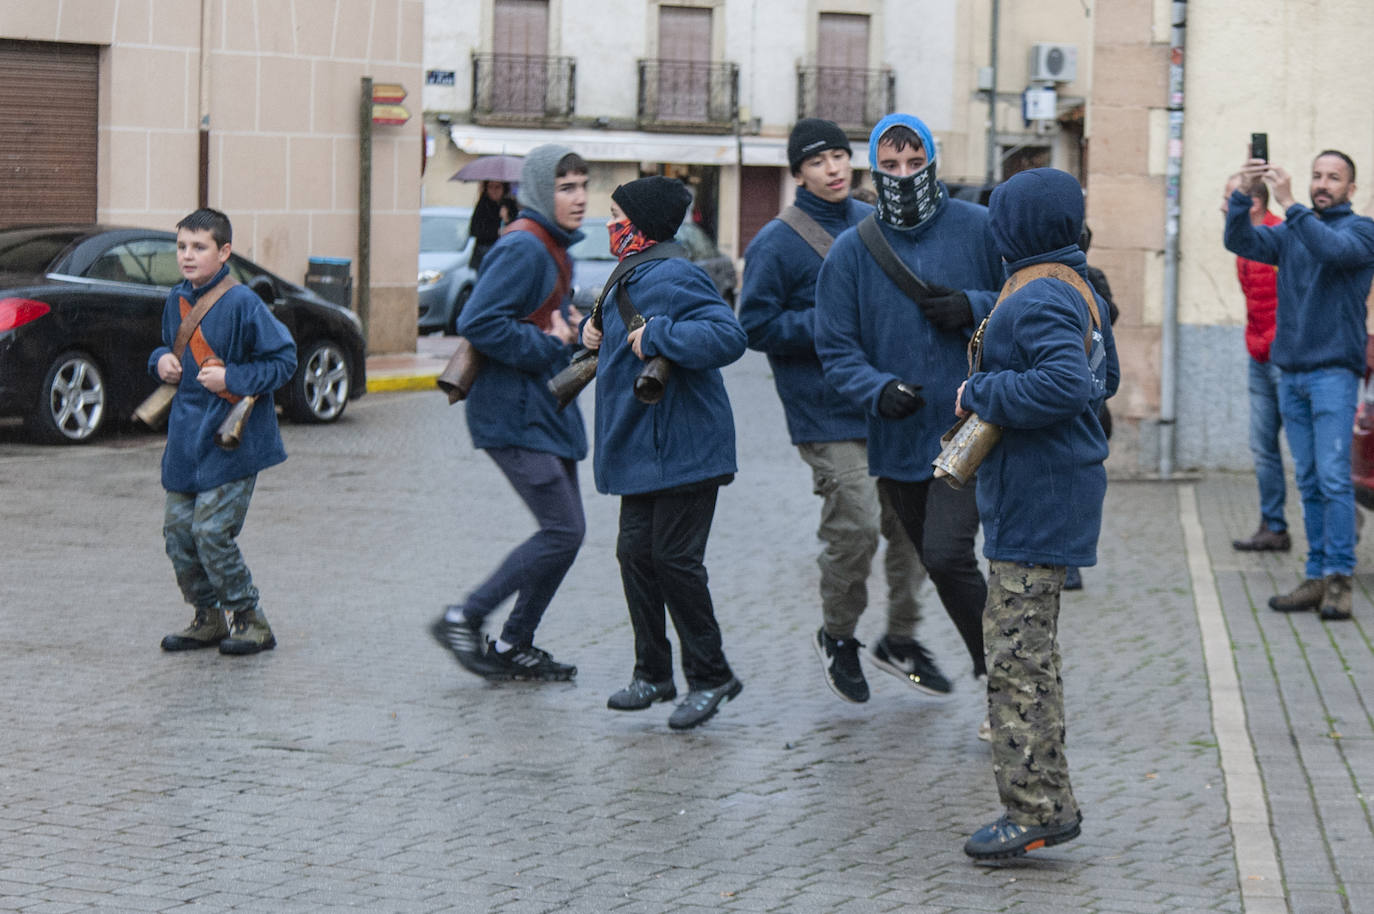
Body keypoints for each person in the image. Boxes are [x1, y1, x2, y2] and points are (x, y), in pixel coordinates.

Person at [953, 167, 1118, 860]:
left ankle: (1036, 812)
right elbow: (1103, 377)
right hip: (1047, 490)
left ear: (1020, 225)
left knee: (1016, 658)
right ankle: (1046, 800)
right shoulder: (1068, 279)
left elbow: (1068, 383)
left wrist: (981, 387)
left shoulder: (1043, 290)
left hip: (1040, 495)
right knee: (1030, 654)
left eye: (1002, 217)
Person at [738, 117, 928, 704]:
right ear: (798, 172)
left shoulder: (872, 221)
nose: (835, 168)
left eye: (841, 156)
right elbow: (754, 324)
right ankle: (838, 636)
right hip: (824, 411)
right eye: (819, 161)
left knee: (912, 528)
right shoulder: (775, 241)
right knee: (858, 527)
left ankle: (900, 638)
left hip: (886, 403)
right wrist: (834, 322)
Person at [815, 112, 1004, 695]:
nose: (903, 175)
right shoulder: (851, 252)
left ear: (933, 162)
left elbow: (1026, 299)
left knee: (948, 556)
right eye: (891, 166)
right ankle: (988, 665)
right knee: (934, 559)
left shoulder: (980, 227)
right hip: (897, 440)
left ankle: (1002, 677)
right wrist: (875, 390)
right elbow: (835, 346)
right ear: (875, 170)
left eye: (915, 164)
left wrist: (973, 304)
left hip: (971, 429)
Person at [580, 176, 747, 730]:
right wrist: (593, 329)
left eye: (614, 214)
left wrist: (661, 335)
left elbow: (728, 337)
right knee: (636, 557)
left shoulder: (675, 272)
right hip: (645, 450)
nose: (607, 224)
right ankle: (653, 672)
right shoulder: (636, 270)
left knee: (675, 562)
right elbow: (625, 322)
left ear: (639, 224)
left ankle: (711, 675)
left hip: (685, 448)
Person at [431, 145, 589, 679]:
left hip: (544, 409)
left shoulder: (554, 248)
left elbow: (538, 318)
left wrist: (570, 330)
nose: (580, 198)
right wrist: (551, 343)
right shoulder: (525, 246)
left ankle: (514, 643)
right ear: (543, 191)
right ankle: (464, 616)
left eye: (584, 185)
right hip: (513, 414)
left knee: (565, 535)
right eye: (566, 187)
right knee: (562, 532)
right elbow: (479, 320)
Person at [1226, 149, 1374, 622]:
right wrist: (1245, 193)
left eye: (1334, 178)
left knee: (1333, 478)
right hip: (1291, 373)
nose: (1323, 183)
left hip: (1334, 373)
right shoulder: (1293, 230)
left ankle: (1339, 580)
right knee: (1308, 479)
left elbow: (1333, 252)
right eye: (1317, 175)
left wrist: (1291, 204)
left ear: (1351, 189)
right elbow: (1240, 241)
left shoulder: (1360, 231)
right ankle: (1314, 575)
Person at [153, 207, 297, 656]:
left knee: (211, 531)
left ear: (225, 252)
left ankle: (250, 620)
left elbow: (284, 361)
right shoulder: (176, 298)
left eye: (199, 247)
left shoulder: (244, 303)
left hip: (232, 440)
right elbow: (163, 344)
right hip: (185, 439)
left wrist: (231, 379)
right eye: (182, 247)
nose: (188, 256)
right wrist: (160, 361)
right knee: (179, 533)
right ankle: (208, 617)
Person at [1221, 174, 1289, 553]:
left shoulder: (1284, 234)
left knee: (1305, 449)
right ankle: (1274, 526)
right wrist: (1256, 343)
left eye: (1230, 198)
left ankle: (1339, 526)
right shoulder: (1244, 244)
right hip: (1259, 355)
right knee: (1262, 446)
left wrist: (1275, 342)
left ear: (1256, 204)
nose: (1223, 205)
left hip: (1286, 357)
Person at [469, 180, 518, 272]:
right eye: (490, 187)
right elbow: (474, 230)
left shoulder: (510, 205)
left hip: (505, 256)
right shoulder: (482, 205)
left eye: (497, 187)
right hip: (484, 255)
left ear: (504, 188)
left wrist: (506, 218)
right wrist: (496, 231)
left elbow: (517, 229)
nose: (493, 191)